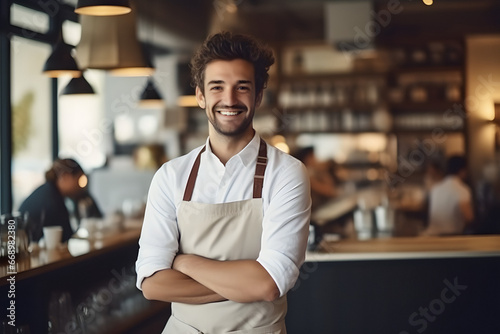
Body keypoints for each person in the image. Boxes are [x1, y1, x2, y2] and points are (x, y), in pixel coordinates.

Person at [135, 32, 311, 333]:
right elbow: (152, 284)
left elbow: (269, 284)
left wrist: (185, 263)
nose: (229, 100)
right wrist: (244, 285)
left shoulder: (287, 174)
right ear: (200, 95)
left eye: (242, 88)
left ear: (258, 95)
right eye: (217, 87)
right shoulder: (170, 176)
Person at [19, 158, 94, 243]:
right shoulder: (53, 201)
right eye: (79, 180)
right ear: (65, 176)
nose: (81, 187)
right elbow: (66, 237)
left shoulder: (46, 191)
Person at [422, 155, 474, 236]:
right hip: (451, 237)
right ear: (462, 170)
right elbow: (469, 217)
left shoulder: (435, 188)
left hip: (431, 234)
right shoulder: (462, 189)